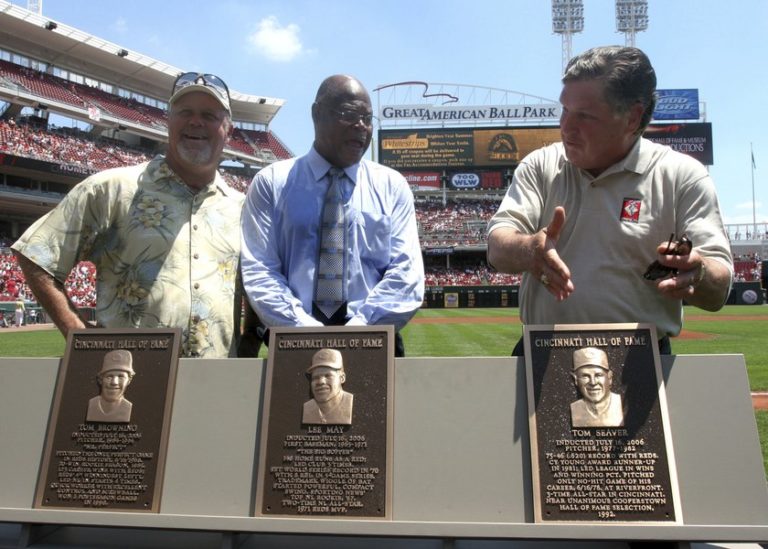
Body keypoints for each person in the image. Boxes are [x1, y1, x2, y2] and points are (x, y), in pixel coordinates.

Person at [487, 46, 733, 355]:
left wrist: (697, 272)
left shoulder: (682, 175)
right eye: (564, 110)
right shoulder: (540, 165)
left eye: (585, 116)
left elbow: (718, 288)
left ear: (632, 117)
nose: (566, 126)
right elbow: (497, 246)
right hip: (544, 354)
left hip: (640, 362)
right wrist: (529, 250)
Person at [12, 72, 258, 358]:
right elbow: (37, 255)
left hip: (218, 383)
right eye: (185, 112)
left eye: (209, 115)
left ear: (229, 129)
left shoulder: (243, 207)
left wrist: (251, 339)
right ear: (169, 120)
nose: (195, 121)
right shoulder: (111, 188)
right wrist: (77, 333)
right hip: (131, 380)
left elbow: (255, 285)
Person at [241, 74, 424, 357]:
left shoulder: (392, 185)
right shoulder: (271, 182)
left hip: (376, 343)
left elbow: (406, 275)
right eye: (349, 114)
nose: (361, 126)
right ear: (317, 114)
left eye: (367, 117)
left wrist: (358, 335)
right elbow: (260, 270)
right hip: (292, 344)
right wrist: (306, 335)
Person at [569, 347, 624, 428]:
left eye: (598, 375)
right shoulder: (575, 408)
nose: (593, 382)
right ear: (576, 379)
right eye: (585, 376)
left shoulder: (618, 404)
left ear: (609, 377)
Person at [302, 348, 353, 425]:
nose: (321, 382)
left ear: (342, 378)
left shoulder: (349, 404)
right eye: (315, 377)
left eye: (328, 376)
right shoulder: (308, 408)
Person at [86, 349, 135, 423]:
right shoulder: (92, 404)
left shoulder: (127, 407)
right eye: (109, 377)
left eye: (121, 377)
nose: (114, 382)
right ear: (100, 380)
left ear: (129, 381)